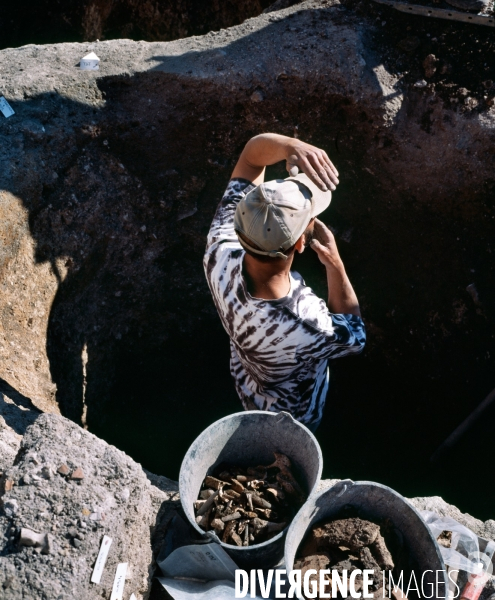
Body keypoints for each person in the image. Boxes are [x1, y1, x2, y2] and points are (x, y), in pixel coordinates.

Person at [203, 133, 366, 431]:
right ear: (301, 243)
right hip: (295, 414)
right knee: (292, 444)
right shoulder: (307, 322)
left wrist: (291, 147)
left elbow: (251, 157)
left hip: (246, 380)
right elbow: (356, 337)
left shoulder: (219, 248)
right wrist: (335, 264)